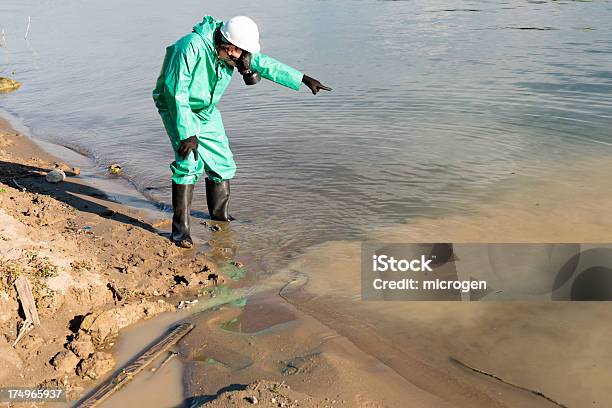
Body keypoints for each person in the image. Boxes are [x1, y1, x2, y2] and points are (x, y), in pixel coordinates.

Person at [153, 15, 331, 248]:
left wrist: (303, 79)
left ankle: (219, 217)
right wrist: (187, 133)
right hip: (176, 107)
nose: (243, 61)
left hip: (206, 111)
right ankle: (181, 232)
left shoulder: (234, 51)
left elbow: (265, 64)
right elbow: (175, 90)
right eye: (240, 55)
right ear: (228, 47)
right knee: (189, 162)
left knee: (223, 163)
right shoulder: (190, 46)